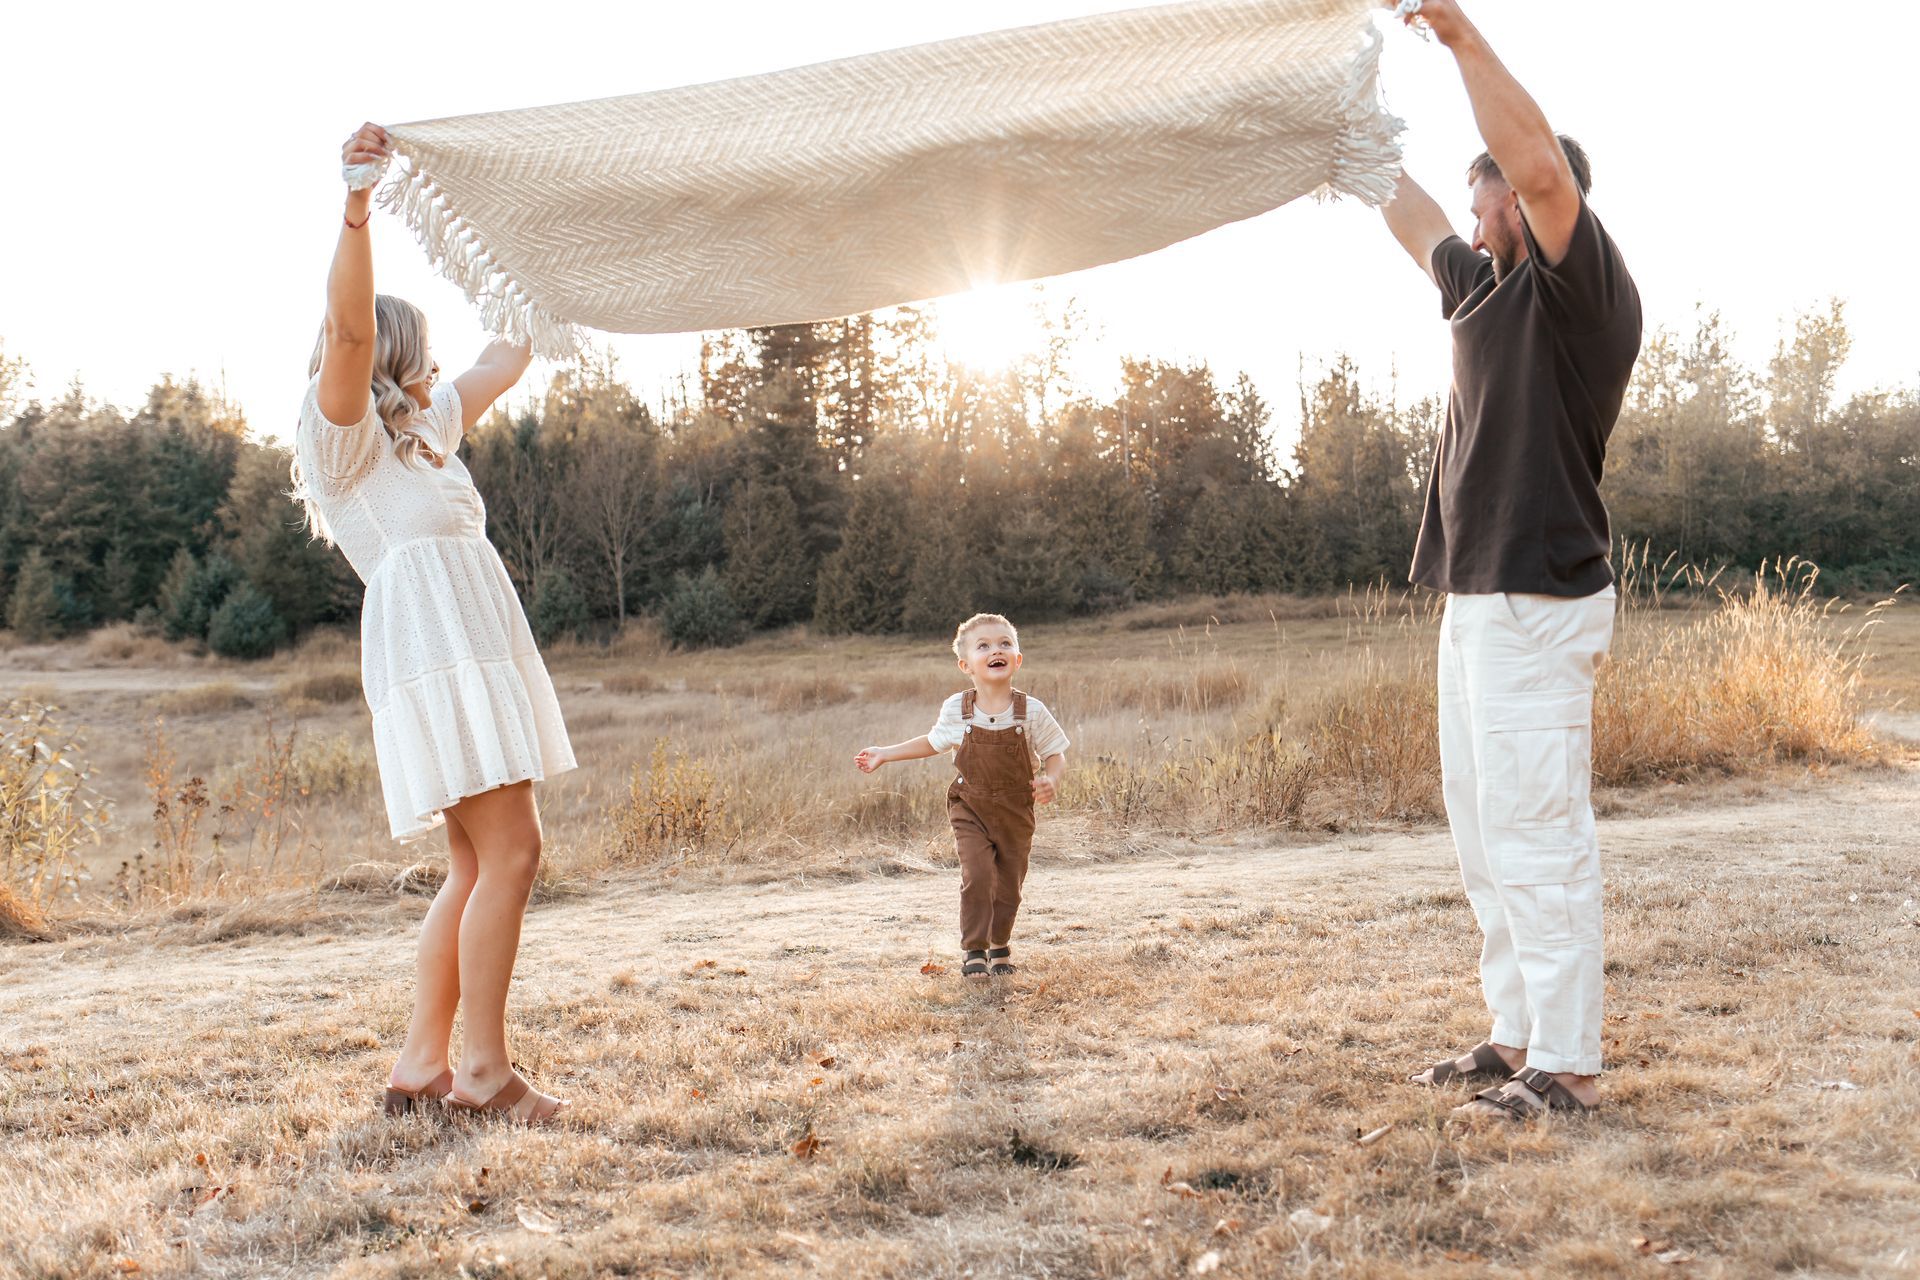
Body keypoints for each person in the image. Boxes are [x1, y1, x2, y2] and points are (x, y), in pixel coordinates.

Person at [1376, 1, 1642, 1121]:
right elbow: (1413, 217)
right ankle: (1516, 1032)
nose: (1473, 201)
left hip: (1540, 594)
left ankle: (1569, 1066)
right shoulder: (1479, 289)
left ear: (1519, 197)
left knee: (1539, 832)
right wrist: (1342, 143)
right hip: (1473, 596)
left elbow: (1536, 169)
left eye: (1481, 184)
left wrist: (1456, 35)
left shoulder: (1579, 291)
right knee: (1486, 832)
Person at [293, 123, 577, 1125]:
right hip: (435, 654)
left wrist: (533, 253)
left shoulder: (428, 432)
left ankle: (420, 1069)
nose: (440, 361)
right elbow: (350, 332)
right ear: (398, 357)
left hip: (472, 648)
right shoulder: (347, 443)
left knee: (476, 858)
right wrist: (359, 205)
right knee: (512, 852)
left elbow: (513, 348)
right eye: (423, 350)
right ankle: (486, 1075)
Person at [855, 614, 1068, 979]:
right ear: (965, 665)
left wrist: (1051, 778)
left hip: (1017, 811)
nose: (995, 650)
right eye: (983, 645)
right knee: (978, 874)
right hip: (970, 805)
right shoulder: (958, 708)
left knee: (1009, 885)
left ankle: (999, 945)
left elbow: (1055, 752)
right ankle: (974, 949)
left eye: (1004, 644)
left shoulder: (1030, 710)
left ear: (1017, 659)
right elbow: (932, 742)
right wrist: (885, 753)